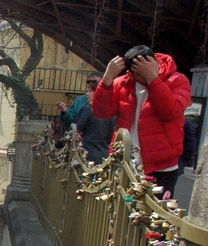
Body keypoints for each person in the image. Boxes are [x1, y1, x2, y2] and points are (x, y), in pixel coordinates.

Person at [92, 45, 191, 197]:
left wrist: (153, 79)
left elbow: (170, 112)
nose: (141, 79)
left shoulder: (178, 80)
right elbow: (102, 112)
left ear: (155, 63)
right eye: (137, 74)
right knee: (121, 213)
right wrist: (107, 80)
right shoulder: (124, 83)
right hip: (125, 161)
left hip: (161, 165)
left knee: (153, 213)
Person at [74, 90, 115, 164]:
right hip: (104, 154)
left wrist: (57, 145)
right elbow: (111, 135)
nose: (87, 94)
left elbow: (74, 129)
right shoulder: (110, 113)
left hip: (87, 153)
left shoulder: (88, 109)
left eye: (90, 91)